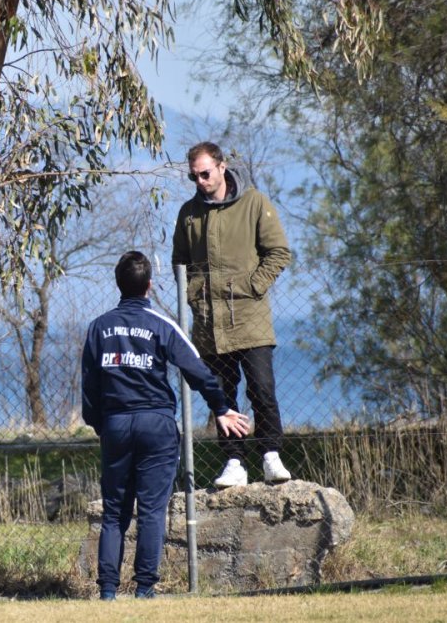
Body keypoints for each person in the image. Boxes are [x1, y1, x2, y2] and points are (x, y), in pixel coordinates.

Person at [81, 251, 250, 601]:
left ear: (119, 284)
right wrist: (221, 407)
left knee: (115, 512)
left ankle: (108, 591)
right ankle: (145, 589)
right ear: (149, 287)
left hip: (116, 424)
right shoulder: (161, 325)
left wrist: (102, 425)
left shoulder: (99, 327)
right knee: (152, 510)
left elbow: (90, 386)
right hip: (156, 424)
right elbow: (197, 368)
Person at [171, 141, 293, 488]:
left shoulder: (255, 203)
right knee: (222, 396)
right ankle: (234, 461)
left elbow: (279, 252)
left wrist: (255, 285)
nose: (200, 181)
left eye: (205, 173)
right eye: (193, 176)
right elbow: (180, 263)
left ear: (222, 167)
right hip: (210, 325)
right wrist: (194, 296)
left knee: (262, 389)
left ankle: (271, 455)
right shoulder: (188, 213)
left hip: (251, 319)